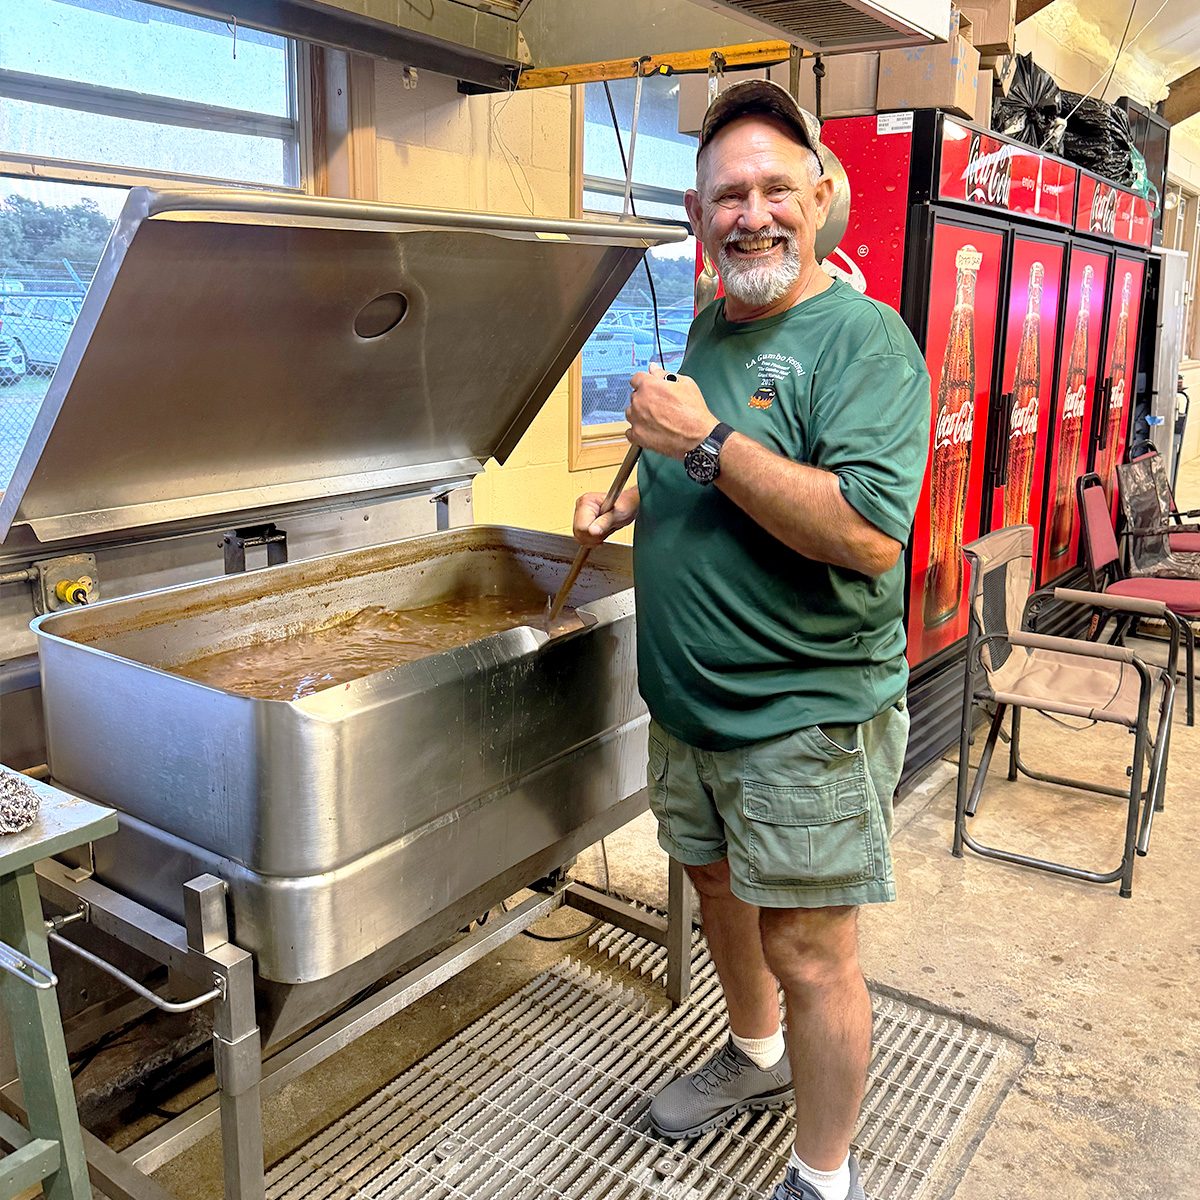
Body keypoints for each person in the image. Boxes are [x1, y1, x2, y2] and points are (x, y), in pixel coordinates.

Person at [572, 80, 931, 1200]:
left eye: (779, 187)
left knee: (812, 952)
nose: (754, 212)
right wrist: (626, 498)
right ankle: (757, 1056)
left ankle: (824, 1180)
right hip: (692, 708)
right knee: (720, 890)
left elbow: (871, 536)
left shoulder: (866, 342)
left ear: (825, 196)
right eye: (729, 195)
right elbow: (688, 447)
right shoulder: (716, 315)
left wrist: (709, 440)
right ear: (697, 218)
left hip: (805, 720)